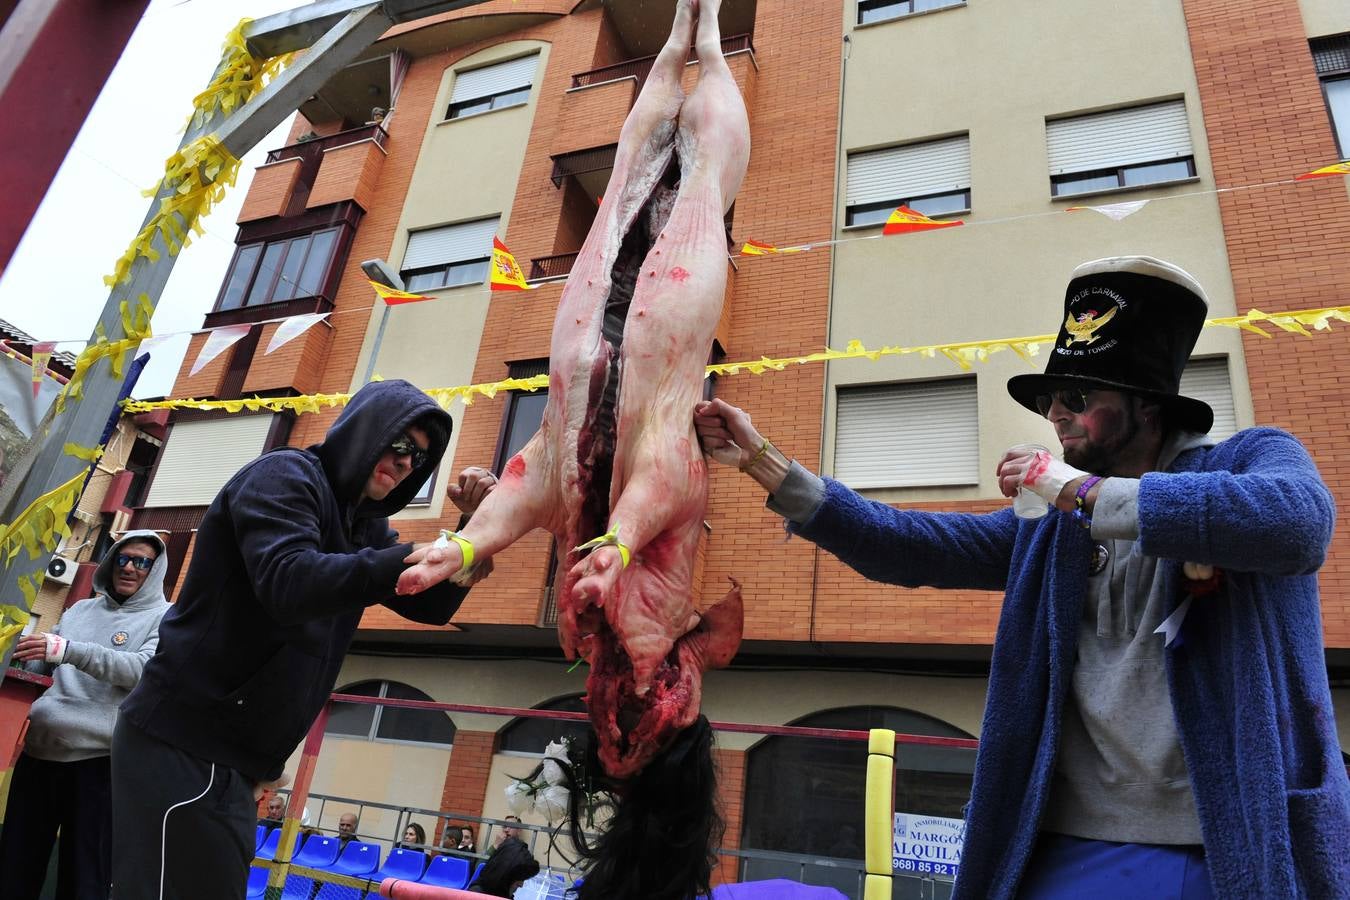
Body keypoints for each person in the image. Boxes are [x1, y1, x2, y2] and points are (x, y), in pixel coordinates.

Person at [695, 256, 1350, 899]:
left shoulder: (1248, 461)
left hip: (1229, 849)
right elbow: (908, 546)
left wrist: (1087, 492)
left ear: (1148, 407)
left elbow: (1300, 523)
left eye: (1077, 397)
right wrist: (760, 461)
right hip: (1067, 851)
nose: (1056, 415)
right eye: (1049, 401)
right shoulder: (1052, 528)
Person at [109, 379, 498, 900]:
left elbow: (431, 604)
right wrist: (420, 553)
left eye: (420, 460)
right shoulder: (285, 476)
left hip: (233, 761)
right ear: (363, 431)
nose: (406, 462)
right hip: (184, 739)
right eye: (399, 444)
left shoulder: (364, 527)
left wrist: (476, 528)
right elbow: (289, 580)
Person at [0, 532, 169, 900]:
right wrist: (16, 647)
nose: (129, 567)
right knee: (13, 867)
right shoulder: (79, 610)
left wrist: (69, 650)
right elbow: (42, 661)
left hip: (100, 765)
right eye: (123, 558)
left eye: (142, 562)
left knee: (83, 878)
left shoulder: (166, 617)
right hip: (39, 753)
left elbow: (145, 672)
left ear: (155, 570)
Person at [466, 838, 539, 898]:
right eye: (519, 878)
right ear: (505, 874)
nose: (521, 885)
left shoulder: (502, 894)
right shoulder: (477, 895)